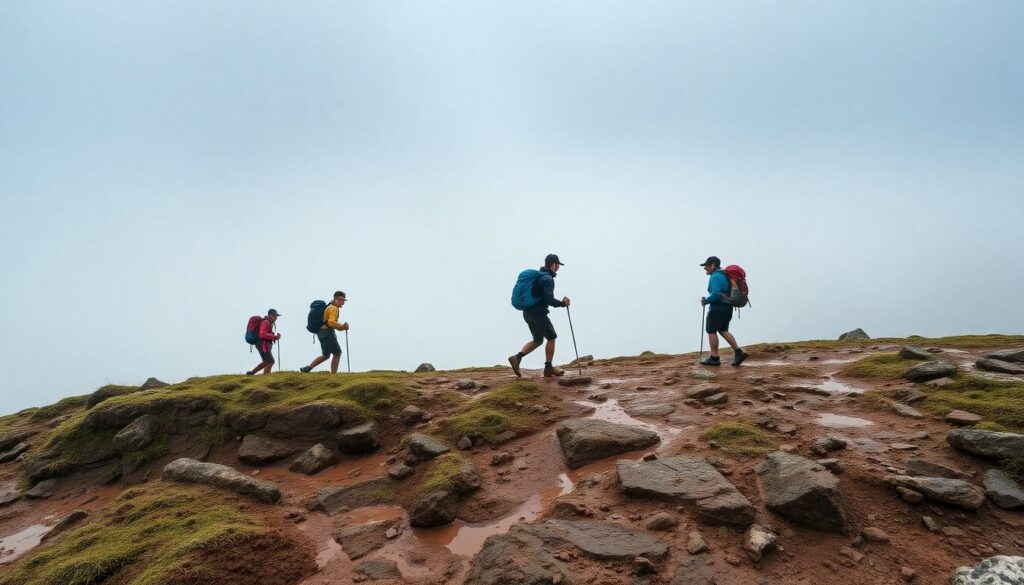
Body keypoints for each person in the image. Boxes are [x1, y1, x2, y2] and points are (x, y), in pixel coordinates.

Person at [508, 254, 571, 378]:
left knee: (538, 340)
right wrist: (563, 303)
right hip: (538, 313)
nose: (558, 268)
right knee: (551, 337)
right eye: (558, 265)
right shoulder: (547, 279)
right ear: (553, 265)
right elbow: (549, 300)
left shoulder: (537, 277)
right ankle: (548, 368)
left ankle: (517, 358)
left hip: (527, 313)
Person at [700, 256, 748, 366]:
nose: (705, 268)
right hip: (728, 307)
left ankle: (714, 358)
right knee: (722, 330)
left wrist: (706, 301)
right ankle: (738, 351)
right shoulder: (724, 275)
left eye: (706, 265)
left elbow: (716, 294)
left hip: (718, 307)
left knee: (711, 330)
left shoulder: (715, 276)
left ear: (712, 265)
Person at [300, 291, 349, 373]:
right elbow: (331, 322)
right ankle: (333, 375)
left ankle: (307, 368)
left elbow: (329, 322)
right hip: (328, 332)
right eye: (342, 300)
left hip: (321, 332)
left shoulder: (329, 307)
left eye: (344, 300)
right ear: (337, 299)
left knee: (326, 355)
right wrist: (342, 326)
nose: (343, 303)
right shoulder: (334, 308)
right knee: (337, 353)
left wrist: (342, 328)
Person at [247, 309, 281, 375]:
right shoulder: (267, 322)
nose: (277, 318)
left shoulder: (268, 322)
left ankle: (251, 373)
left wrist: (272, 335)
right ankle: (266, 377)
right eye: (276, 316)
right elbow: (262, 334)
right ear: (272, 315)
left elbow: (264, 333)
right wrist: (275, 337)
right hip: (262, 345)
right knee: (270, 361)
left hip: (261, 344)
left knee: (266, 361)